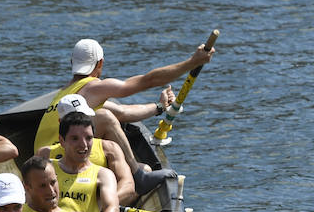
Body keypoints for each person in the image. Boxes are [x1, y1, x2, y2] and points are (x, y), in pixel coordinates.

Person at [33, 37, 214, 164]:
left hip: (40, 160)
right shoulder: (95, 87)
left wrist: (159, 107)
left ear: (72, 62)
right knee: (105, 117)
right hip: (56, 159)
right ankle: (136, 172)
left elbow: (123, 112)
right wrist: (192, 62)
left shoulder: (65, 93)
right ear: (100, 63)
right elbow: (148, 81)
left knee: (108, 115)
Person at [38, 93, 137, 205]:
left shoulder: (110, 148)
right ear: (61, 123)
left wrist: (99, 206)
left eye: (84, 117)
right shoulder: (45, 153)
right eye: (74, 120)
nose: (81, 122)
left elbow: (128, 186)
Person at [50, 111, 121, 212]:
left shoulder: (103, 175)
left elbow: (113, 211)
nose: (83, 145)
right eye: (75, 138)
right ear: (61, 141)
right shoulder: (47, 168)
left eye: (88, 138)